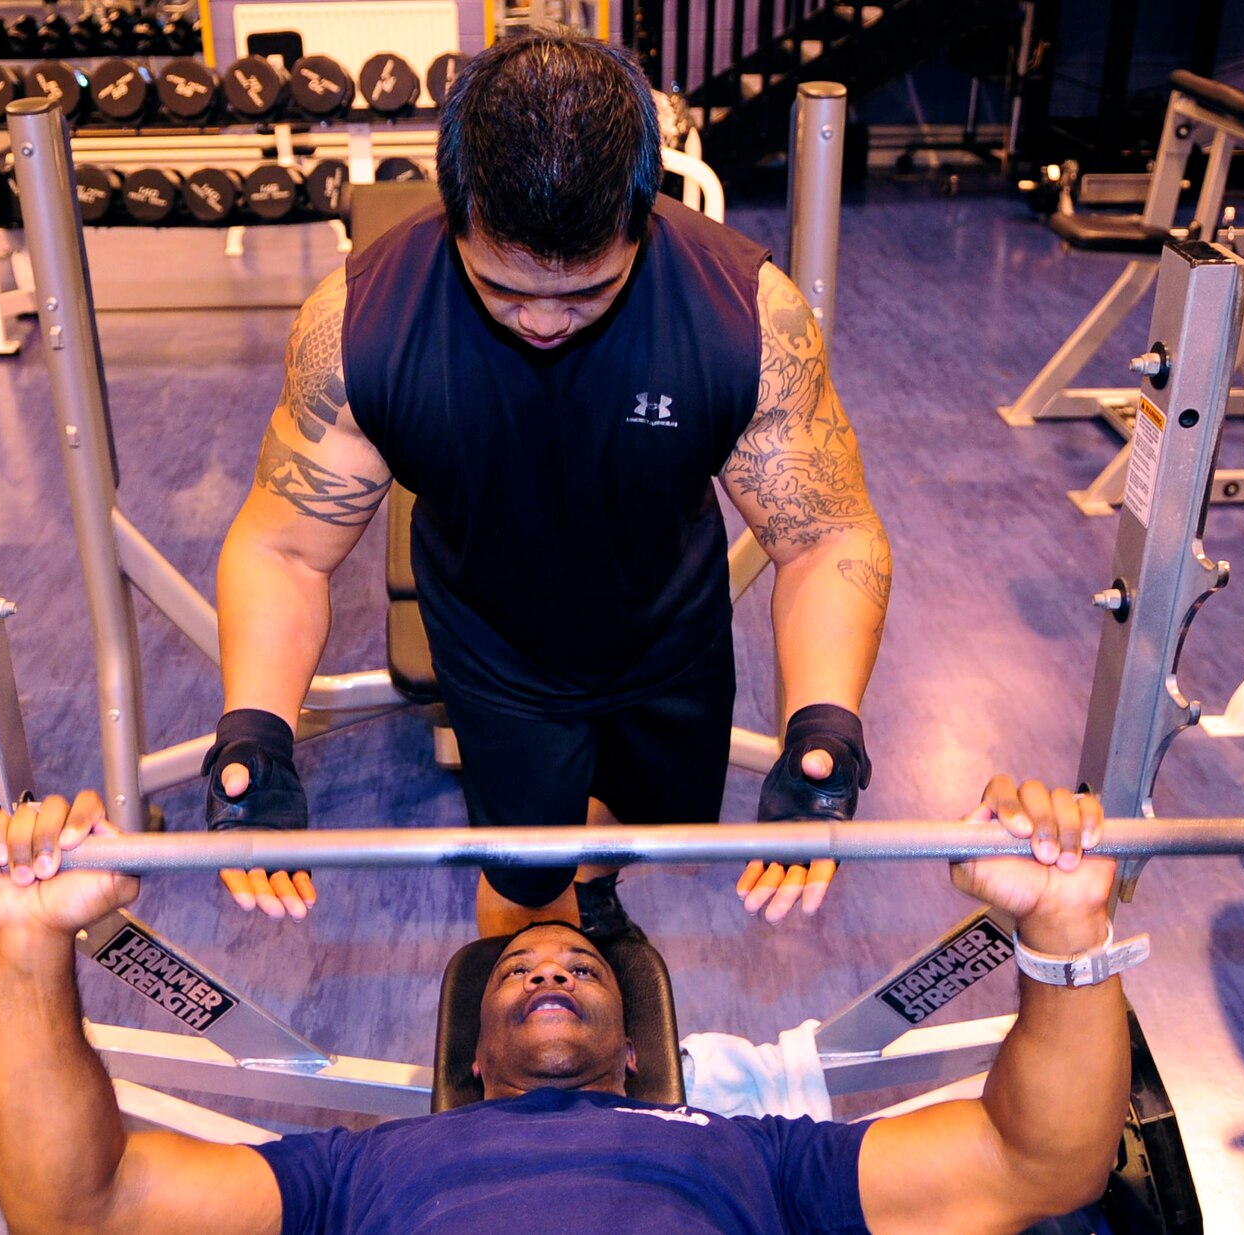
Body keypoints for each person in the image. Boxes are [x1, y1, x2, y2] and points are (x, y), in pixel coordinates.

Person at [203, 27, 893, 940]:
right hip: (497, 649)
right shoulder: (360, 328)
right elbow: (285, 548)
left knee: (655, 835)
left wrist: (824, 723)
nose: (542, 322)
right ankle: (548, 915)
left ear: (642, 222)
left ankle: (592, 883)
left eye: (585, 293)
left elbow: (826, 536)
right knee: (525, 883)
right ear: (455, 217)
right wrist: (256, 728)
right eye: (504, 288)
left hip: (670, 635)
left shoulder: (748, 317)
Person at [0, 778, 1127, 1235]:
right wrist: (28, 943)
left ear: (637, 1050)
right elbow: (79, 1205)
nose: (547, 969)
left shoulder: (748, 1150)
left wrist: (1064, 924)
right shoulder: (361, 1167)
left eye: (578, 965)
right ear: (470, 1058)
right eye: (520, 966)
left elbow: (1036, 1162)